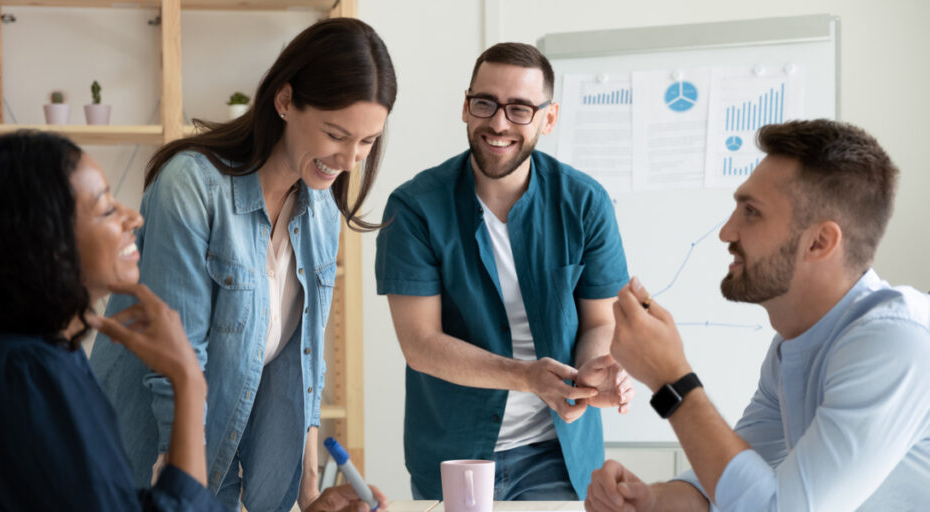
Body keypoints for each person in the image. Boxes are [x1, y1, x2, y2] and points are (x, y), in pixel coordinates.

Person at [88, 17, 395, 512]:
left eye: (367, 141)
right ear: (285, 101)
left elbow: (305, 365)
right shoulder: (192, 186)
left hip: (217, 472)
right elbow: (176, 363)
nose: (349, 160)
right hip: (144, 470)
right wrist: (181, 495)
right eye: (337, 134)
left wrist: (309, 496)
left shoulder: (321, 210)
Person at [587, 120, 930, 511]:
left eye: (751, 212)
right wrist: (651, 500)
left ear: (819, 242)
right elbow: (729, 487)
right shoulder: (792, 346)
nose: (727, 232)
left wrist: (671, 378)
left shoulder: (895, 342)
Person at [0, 131, 224, 511]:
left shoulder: (31, 361)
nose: (134, 218)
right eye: (107, 209)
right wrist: (188, 381)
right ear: (45, 244)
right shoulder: (24, 373)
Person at [375, 42, 635, 501]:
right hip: (453, 453)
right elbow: (421, 345)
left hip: (557, 452)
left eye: (519, 109)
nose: (498, 123)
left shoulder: (585, 202)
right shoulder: (415, 207)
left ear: (548, 119)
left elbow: (601, 321)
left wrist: (589, 375)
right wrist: (527, 377)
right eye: (485, 104)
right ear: (465, 106)